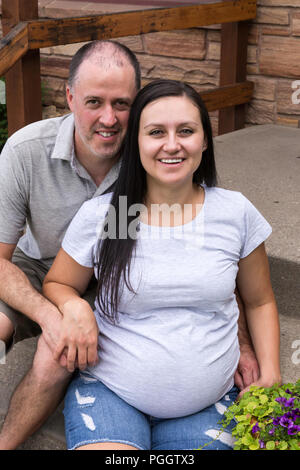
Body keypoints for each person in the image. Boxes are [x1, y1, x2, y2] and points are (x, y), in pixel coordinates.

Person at [43, 79, 281, 450]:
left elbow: (259, 301)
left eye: (186, 130)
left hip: (208, 405)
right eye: (156, 132)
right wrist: (73, 305)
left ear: (204, 139)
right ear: (136, 141)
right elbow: (58, 283)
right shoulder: (115, 214)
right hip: (111, 395)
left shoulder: (233, 213)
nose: (172, 144)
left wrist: (271, 373)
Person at [0, 40, 140, 450]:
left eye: (122, 104)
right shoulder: (27, 150)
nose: (109, 118)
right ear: (70, 97)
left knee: (57, 352)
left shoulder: (152, 154)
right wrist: (51, 314)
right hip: (38, 266)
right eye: (94, 101)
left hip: (111, 279)